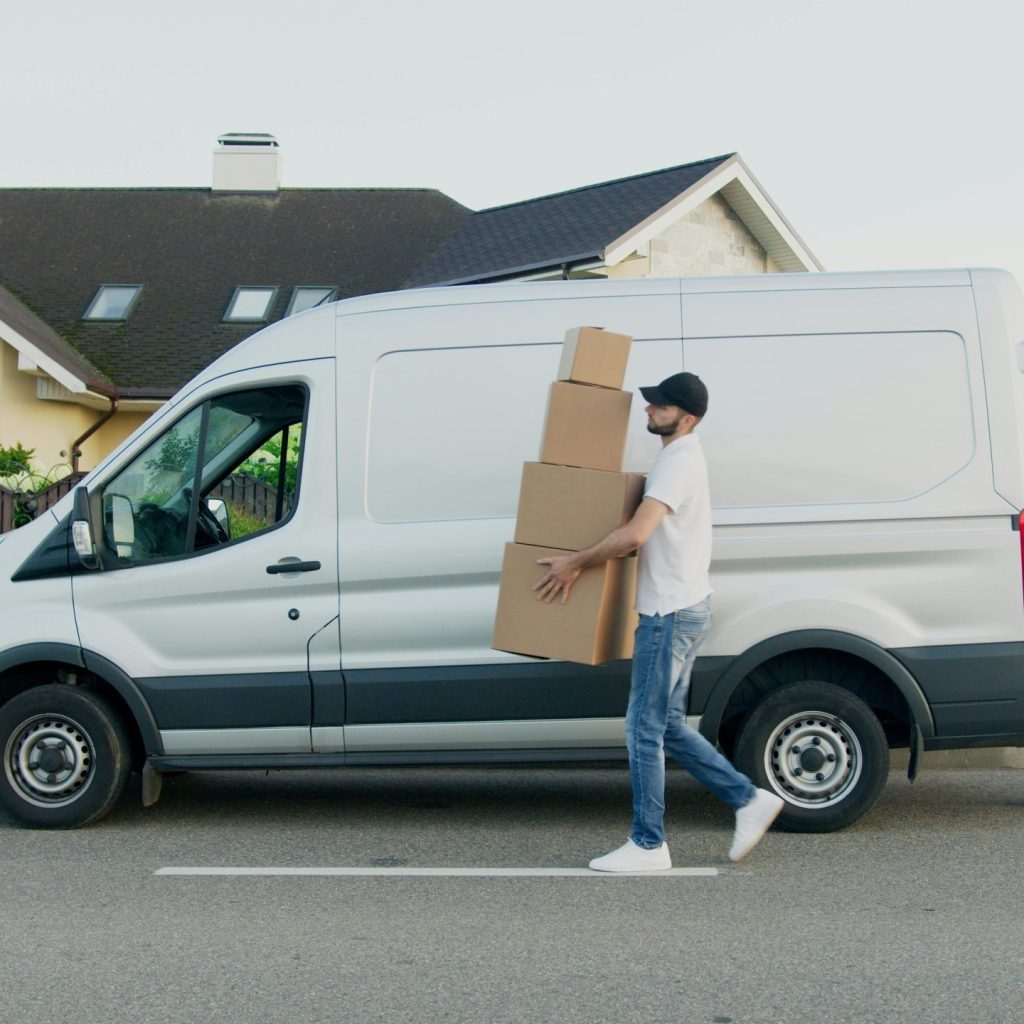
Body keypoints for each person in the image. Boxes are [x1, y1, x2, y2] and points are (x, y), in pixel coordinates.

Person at [533, 372, 783, 871]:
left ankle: (649, 844)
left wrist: (574, 562)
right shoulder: (680, 457)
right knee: (665, 723)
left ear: (686, 418)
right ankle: (749, 799)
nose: (648, 410)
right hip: (686, 606)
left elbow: (635, 535)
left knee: (642, 728)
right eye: (651, 403)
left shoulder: (679, 460)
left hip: (669, 614)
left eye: (660, 406)